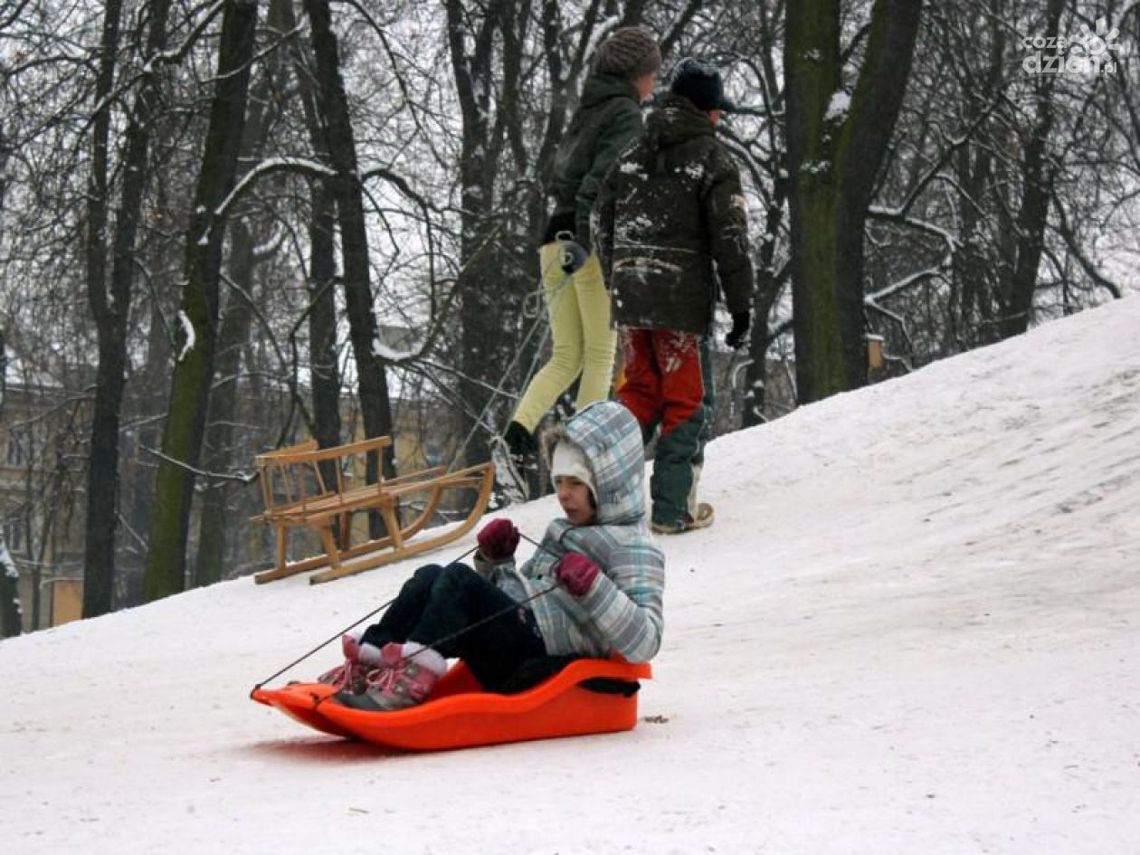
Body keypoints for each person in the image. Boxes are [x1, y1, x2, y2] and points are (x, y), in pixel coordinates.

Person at [319, 400, 665, 712]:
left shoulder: (634, 547)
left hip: (546, 661)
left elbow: (646, 641)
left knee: (458, 580)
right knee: (430, 577)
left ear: (609, 483)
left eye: (574, 483)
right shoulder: (564, 529)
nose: (562, 494)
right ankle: (372, 665)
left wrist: (595, 587)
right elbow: (526, 599)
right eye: (558, 481)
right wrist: (497, 563)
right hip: (524, 641)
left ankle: (409, 684)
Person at [495, 27, 662, 504]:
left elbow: (564, 175)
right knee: (599, 354)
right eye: (652, 74)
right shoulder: (627, 113)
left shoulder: (588, 109)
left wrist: (569, 237)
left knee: (566, 353)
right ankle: (584, 458)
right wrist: (588, 241)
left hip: (553, 237)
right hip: (583, 240)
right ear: (636, 75)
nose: (654, 83)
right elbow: (603, 180)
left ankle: (515, 440)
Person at [593, 58, 754, 535]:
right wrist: (741, 304)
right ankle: (672, 509)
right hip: (678, 303)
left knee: (638, 393)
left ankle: (600, 495)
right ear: (705, 110)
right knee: (685, 402)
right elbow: (731, 236)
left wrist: (615, 277)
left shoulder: (633, 150)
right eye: (717, 110)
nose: (720, 118)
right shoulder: (712, 159)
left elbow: (602, 216)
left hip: (632, 296)